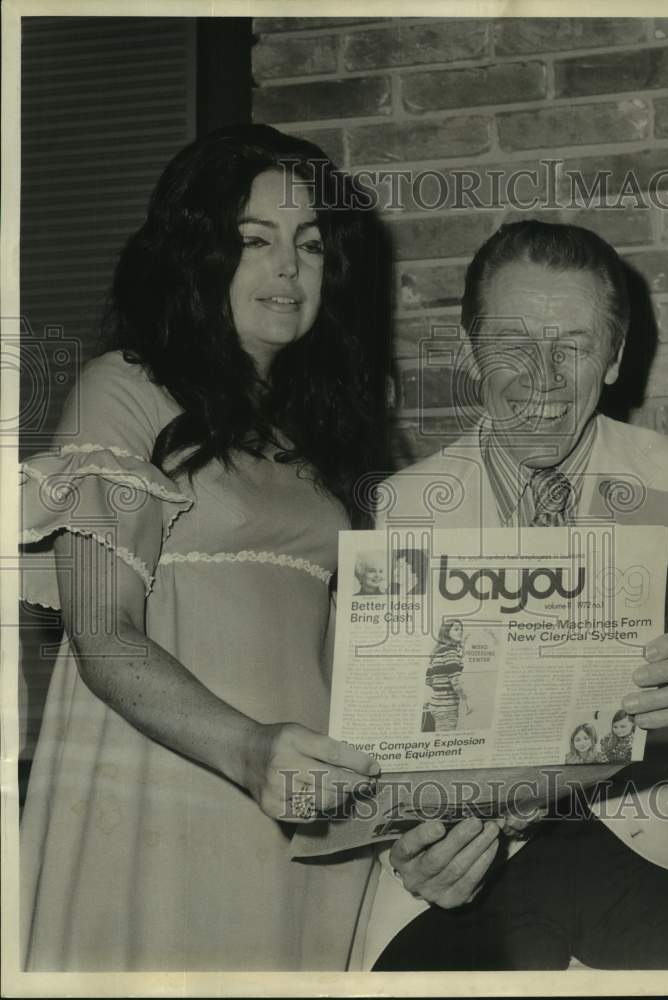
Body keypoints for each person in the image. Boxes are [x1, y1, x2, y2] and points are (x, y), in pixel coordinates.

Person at [18, 124, 387, 971]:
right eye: (253, 241)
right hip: (175, 783)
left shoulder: (319, 433)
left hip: (309, 801)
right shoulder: (127, 386)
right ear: (196, 254)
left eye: (311, 245)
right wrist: (249, 749)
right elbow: (103, 634)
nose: (288, 270)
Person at [361, 220, 668, 971]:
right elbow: (390, 751)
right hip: (488, 872)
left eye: (572, 346)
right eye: (512, 342)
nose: (539, 380)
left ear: (612, 358)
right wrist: (418, 846)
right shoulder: (405, 508)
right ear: (471, 348)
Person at [425, 618, 472, 731]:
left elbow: (428, 680)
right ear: (446, 632)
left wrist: (441, 689)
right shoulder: (451, 652)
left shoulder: (437, 651)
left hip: (435, 705)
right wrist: (467, 702)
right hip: (447, 707)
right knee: (445, 740)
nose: (460, 631)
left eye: (461, 629)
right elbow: (456, 680)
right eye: (456, 629)